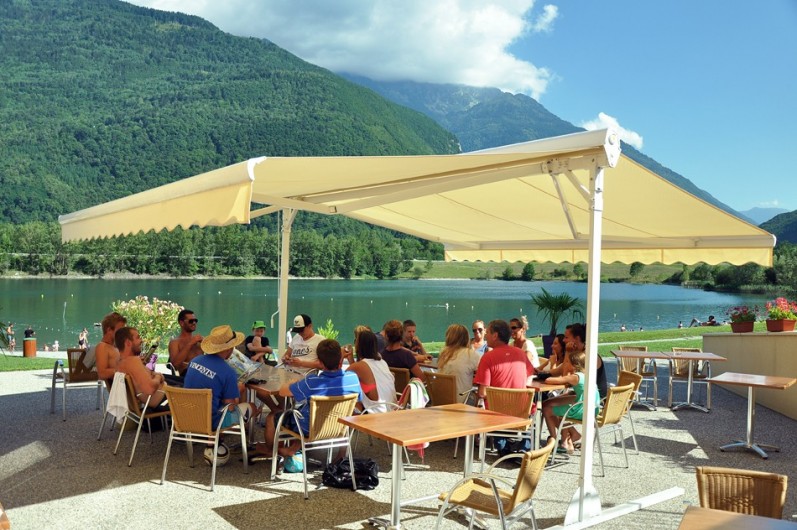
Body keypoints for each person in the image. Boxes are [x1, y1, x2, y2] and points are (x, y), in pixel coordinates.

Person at [255, 338, 362, 458]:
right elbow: (358, 402)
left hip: (310, 428)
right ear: (340, 359)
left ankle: (271, 451)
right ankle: (293, 449)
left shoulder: (311, 382)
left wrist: (292, 381)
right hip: (340, 426)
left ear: (320, 362)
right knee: (305, 410)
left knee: (273, 416)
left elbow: (283, 392)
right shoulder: (353, 378)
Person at [184, 324, 258, 462]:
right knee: (252, 407)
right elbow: (230, 407)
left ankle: (213, 442)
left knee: (216, 404)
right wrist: (236, 392)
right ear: (229, 348)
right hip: (211, 420)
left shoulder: (194, 361)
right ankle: (220, 439)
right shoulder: (228, 372)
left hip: (188, 416)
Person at [474, 319, 534, 454]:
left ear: (495, 335)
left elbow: (482, 393)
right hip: (521, 411)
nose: (485, 335)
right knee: (534, 406)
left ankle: (503, 447)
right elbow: (529, 375)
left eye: (488, 332)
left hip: (497, 414)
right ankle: (523, 446)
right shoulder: (520, 354)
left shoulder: (487, 358)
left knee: (483, 403)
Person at [541, 349, 600, 454]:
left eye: (567, 362)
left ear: (574, 365)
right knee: (548, 403)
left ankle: (554, 441)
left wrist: (565, 373)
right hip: (591, 408)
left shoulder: (575, 377)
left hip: (582, 409)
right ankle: (572, 434)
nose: (565, 364)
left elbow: (548, 380)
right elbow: (577, 392)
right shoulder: (587, 374)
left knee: (546, 409)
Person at [115, 326, 166, 408]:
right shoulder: (133, 361)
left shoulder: (121, 362)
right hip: (164, 401)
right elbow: (150, 389)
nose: (141, 341)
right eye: (138, 338)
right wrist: (158, 376)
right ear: (128, 342)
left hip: (160, 398)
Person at [345, 329, 395, 412]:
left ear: (359, 346)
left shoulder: (360, 365)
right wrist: (351, 359)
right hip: (391, 408)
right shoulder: (382, 362)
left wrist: (340, 357)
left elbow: (340, 378)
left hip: (376, 412)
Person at [437, 324, 480, 402]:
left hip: (441, 399)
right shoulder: (470, 354)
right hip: (461, 400)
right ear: (466, 338)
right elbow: (483, 373)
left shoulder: (443, 353)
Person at [90, 312, 127, 388]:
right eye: (120, 330)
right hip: (123, 390)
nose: (123, 334)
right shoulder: (102, 347)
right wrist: (125, 369)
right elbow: (102, 373)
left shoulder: (114, 347)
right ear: (109, 330)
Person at [168, 309, 204, 376]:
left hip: (204, 375)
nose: (194, 323)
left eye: (195, 321)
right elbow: (175, 364)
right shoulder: (175, 342)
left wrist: (208, 345)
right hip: (186, 376)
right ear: (181, 323)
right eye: (191, 321)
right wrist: (190, 343)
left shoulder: (200, 340)